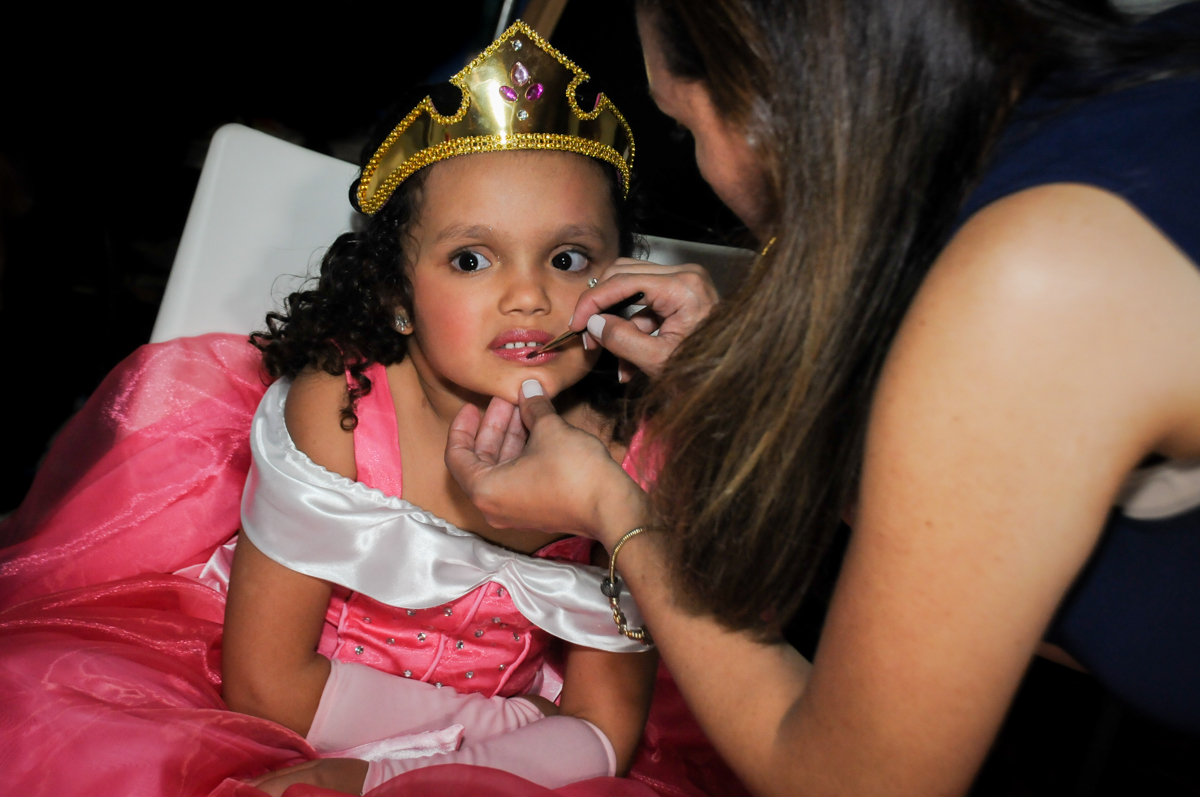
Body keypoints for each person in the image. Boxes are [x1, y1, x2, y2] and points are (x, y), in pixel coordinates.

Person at [444, 2, 1200, 796]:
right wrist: (744, 396)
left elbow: (852, 778)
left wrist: (615, 507)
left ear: (773, 96)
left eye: (685, 128)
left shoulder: (1028, 281)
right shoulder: (1144, 84)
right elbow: (991, 557)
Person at [0, 22, 747, 797]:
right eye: (470, 258)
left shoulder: (633, 449)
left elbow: (604, 734)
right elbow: (264, 683)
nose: (528, 295)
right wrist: (513, 731)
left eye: (567, 259)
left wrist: (386, 775)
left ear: (617, 276)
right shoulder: (344, 407)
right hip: (273, 704)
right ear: (396, 295)